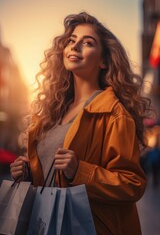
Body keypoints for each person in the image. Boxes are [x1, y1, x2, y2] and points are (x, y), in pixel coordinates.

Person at [10, 12, 152, 235]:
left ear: (104, 61)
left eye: (87, 43)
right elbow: (50, 179)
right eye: (71, 41)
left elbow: (132, 184)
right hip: (48, 226)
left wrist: (80, 171)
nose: (75, 47)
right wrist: (28, 173)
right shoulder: (51, 114)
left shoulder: (114, 114)